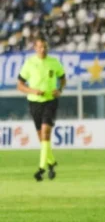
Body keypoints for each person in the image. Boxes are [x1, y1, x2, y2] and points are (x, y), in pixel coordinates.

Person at [16, 38, 66, 181]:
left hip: (50, 101)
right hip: (34, 103)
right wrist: (33, 91)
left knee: (45, 132)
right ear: (35, 48)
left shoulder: (54, 62)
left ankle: (41, 168)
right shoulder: (29, 63)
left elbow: (63, 78)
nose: (43, 49)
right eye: (40, 47)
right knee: (41, 137)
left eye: (44, 47)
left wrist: (59, 89)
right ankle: (51, 162)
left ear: (47, 47)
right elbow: (19, 85)